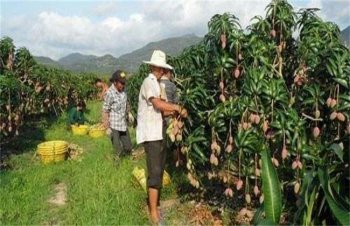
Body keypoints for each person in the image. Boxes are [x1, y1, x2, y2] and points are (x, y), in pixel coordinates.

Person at [136, 50, 187, 224]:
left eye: (161, 68)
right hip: (151, 133)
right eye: (157, 67)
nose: (159, 70)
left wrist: (176, 117)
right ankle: (153, 214)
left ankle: (156, 206)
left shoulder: (159, 85)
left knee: (159, 168)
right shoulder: (148, 82)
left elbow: (165, 110)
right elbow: (157, 104)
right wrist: (177, 108)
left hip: (160, 132)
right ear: (152, 67)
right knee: (155, 172)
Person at [102, 70, 132, 160]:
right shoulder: (109, 94)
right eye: (121, 83)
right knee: (117, 149)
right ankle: (116, 164)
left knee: (128, 147)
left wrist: (129, 113)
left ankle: (127, 157)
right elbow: (105, 110)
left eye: (124, 83)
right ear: (115, 82)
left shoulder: (123, 92)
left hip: (122, 124)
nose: (123, 85)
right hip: (114, 125)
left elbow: (126, 104)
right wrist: (106, 126)